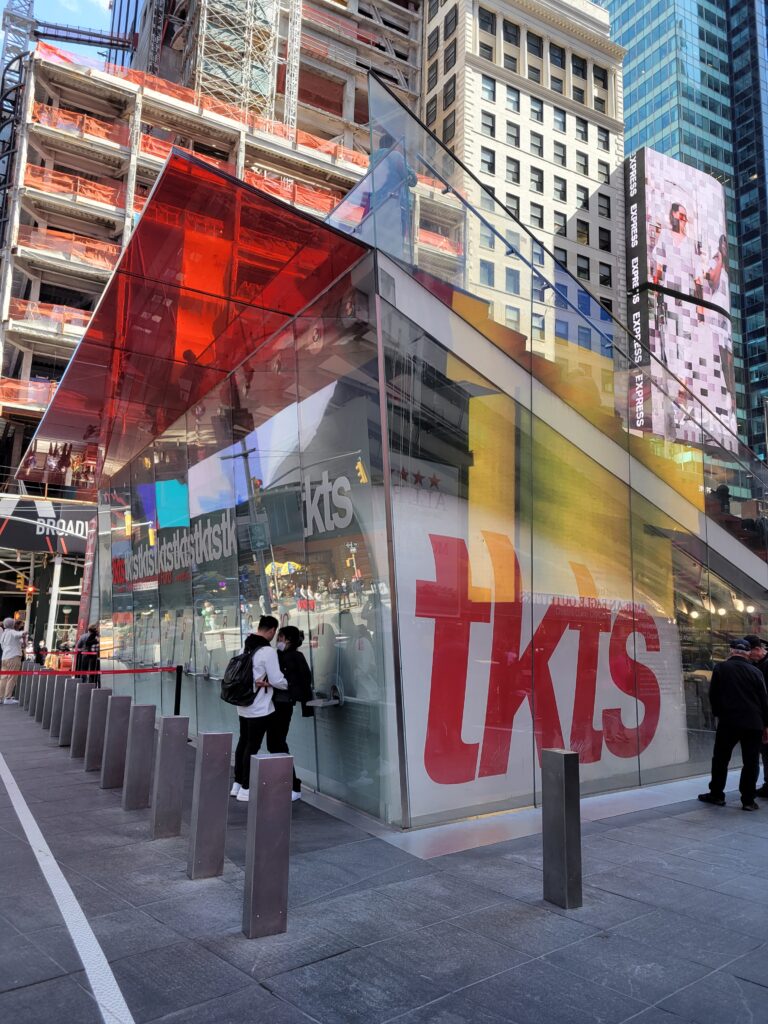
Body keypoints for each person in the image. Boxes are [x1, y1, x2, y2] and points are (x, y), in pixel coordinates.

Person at [699, 638, 768, 810]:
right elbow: (764, 700)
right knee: (751, 762)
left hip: (729, 722)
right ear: (748, 653)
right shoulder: (755, 671)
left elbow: (713, 696)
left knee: (721, 759)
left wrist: (718, 715)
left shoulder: (721, 668)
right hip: (754, 723)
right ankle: (748, 800)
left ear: (731, 651)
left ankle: (716, 794)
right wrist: (765, 725)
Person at [231, 615, 287, 803]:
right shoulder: (267, 651)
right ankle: (247, 788)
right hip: (259, 707)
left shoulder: (245, 646)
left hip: (243, 704)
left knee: (243, 742)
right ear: (271, 630)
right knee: (252, 746)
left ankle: (237, 783)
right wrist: (290, 685)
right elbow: (278, 679)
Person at [269, 625, 314, 801]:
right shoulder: (281, 656)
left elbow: (300, 682)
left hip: (283, 704)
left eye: (280, 637)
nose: (277, 641)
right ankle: (286, 783)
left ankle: (293, 784)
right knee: (275, 743)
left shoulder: (294, 657)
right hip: (276, 704)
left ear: (287, 639)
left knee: (277, 743)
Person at [744, 634, 768, 797]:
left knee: (767, 751)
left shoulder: (765, 666)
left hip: (765, 718)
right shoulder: (760, 664)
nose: (748, 656)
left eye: (750, 652)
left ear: (758, 649)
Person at [0, 618, 24, 705]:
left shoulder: (4, 634)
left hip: (4, 657)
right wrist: (24, 632)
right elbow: (19, 634)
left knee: (3, 678)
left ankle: (1, 697)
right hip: (13, 656)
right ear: (12, 624)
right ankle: (8, 697)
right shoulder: (12, 632)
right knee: (12, 677)